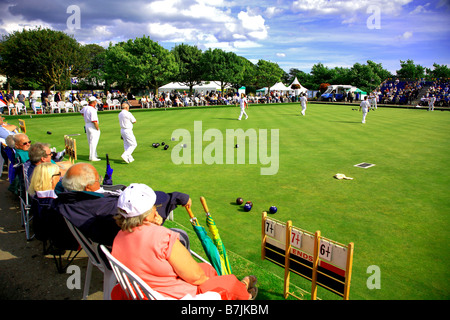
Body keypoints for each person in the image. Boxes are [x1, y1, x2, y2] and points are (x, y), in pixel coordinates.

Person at [111, 183, 258, 300]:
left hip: (144, 290)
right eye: (153, 207)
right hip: (174, 295)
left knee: (208, 269)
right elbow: (196, 277)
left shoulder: (118, 237)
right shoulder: (162, 237)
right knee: (228, 282)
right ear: (147, 213)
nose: (156, 210)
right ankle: (245, 294)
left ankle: (240, 287)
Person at [54, 163, 191, 248]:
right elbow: (146, 205)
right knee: (180, 235)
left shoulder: (68, 197)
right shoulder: (105, 208)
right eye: (98, 179)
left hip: (106, 240)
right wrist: (176, 197)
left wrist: (108, 181)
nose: (99, 181)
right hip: (123, 247)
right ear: (88, 187)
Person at [81, 96, 101, 161]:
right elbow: (94, 121)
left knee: (90, 141)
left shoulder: (86, 107)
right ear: (94, 102)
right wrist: (97, 128)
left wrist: (86, 117)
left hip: (87, 124)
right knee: (93, 142)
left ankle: (94, 154)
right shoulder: (92, 110)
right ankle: (92, 157)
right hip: (92, 125)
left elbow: (81, 112)